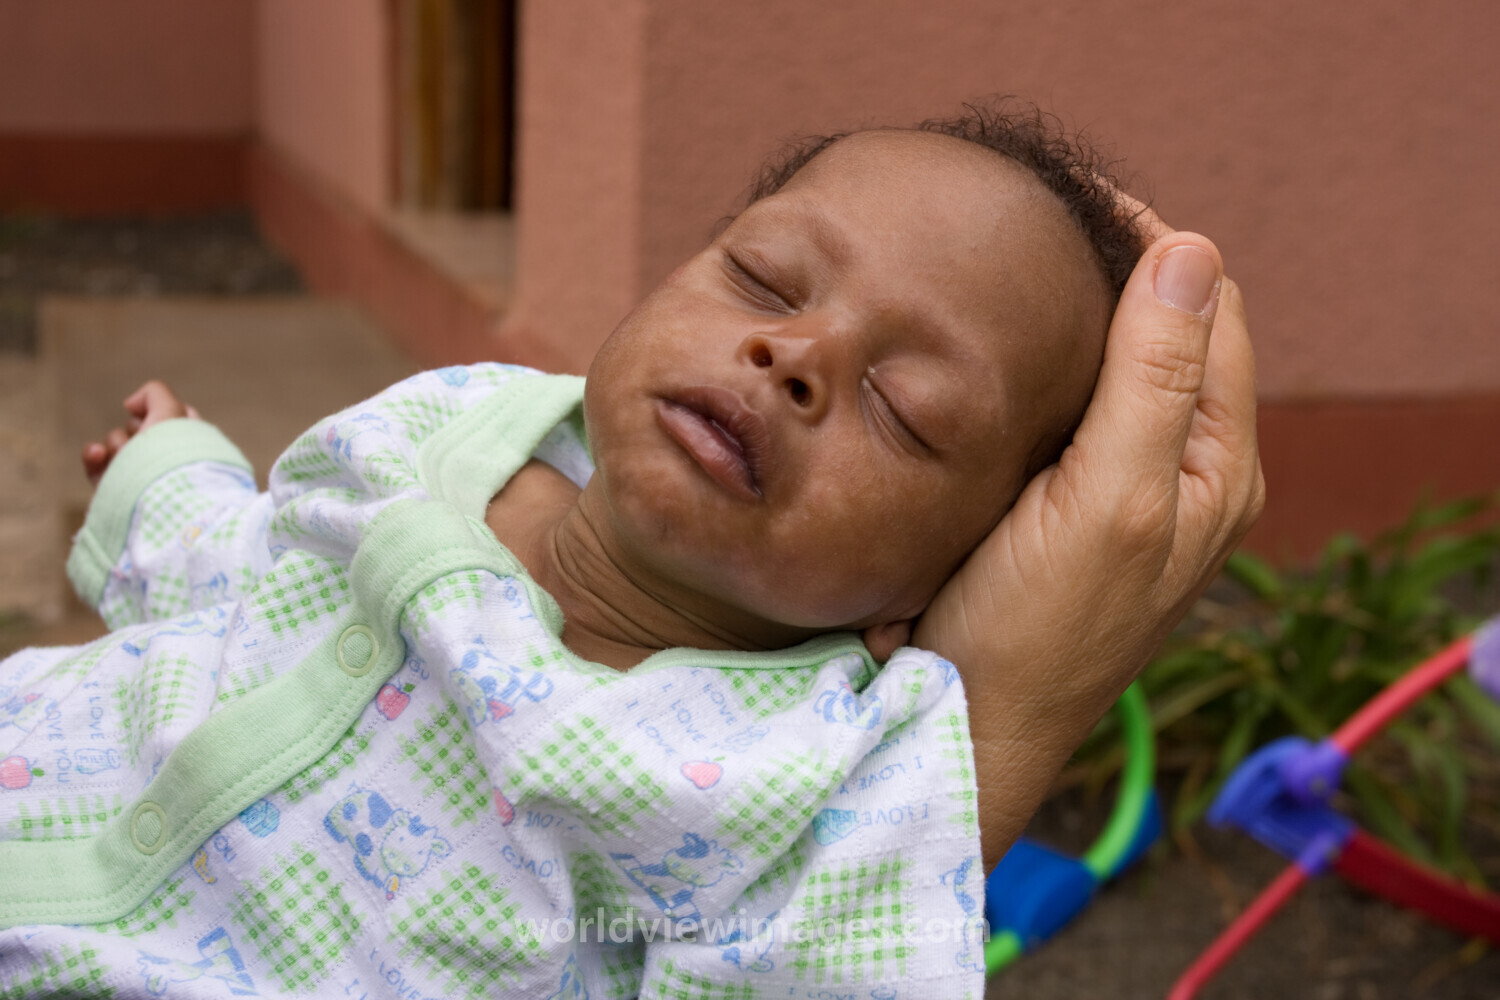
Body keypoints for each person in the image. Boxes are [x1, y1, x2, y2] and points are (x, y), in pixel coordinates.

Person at [0, 107, 1262, 997]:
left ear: (938, 583)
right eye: (764, 277)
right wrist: (173, 487)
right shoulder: (458, 424)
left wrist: (999, 721)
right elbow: (261, 578)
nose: (797, 354)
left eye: (906, 409)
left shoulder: (797, 788)